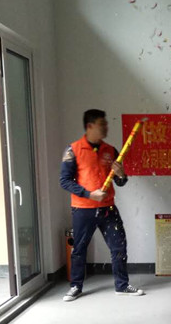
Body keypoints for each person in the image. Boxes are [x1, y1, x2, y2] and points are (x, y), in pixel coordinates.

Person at [60, 109, 144, 301]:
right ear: (90, 126)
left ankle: (122, 285)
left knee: (119, 246)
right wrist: (89, 194)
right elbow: (64, 181)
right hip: (83, 209)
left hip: (108, 209)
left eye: (106, 123)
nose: (106, 127)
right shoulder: (73, 150)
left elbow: (121, 182)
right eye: (102, 124)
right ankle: (75, 286)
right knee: (79, 249)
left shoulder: (110, 150)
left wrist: (121, 174)